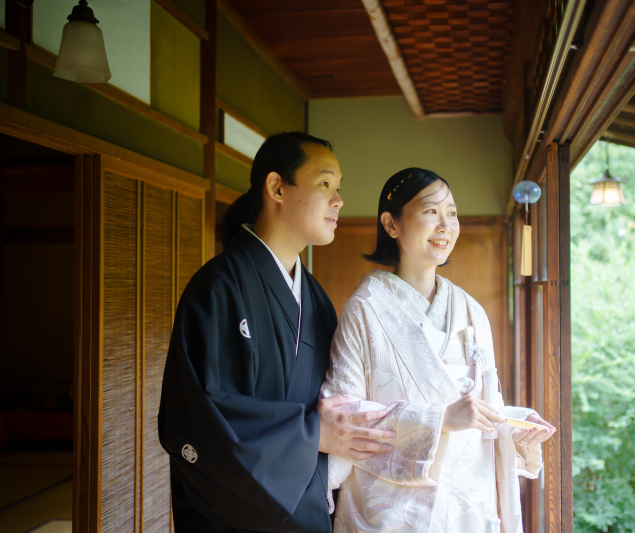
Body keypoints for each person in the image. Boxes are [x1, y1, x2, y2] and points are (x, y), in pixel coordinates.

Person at [158, 132, 395, 533]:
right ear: (276, 187)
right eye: (325, 184)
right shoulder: (217, 288)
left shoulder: (316, 299)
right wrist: (311, 434)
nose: (338, 201)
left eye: (339, 189)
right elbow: (200, 419)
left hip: (310, 511)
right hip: (233, 519)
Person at [322, 168, 556, 533]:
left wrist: (511, 424)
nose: (445, 225)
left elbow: (477, 411)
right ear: (392, 223)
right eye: (431, 211)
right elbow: (343, 416)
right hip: (392, 514)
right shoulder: (364, 308)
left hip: (466, 507)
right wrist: (440, 421)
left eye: (452, 213)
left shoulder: (472, 311)